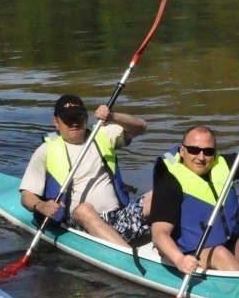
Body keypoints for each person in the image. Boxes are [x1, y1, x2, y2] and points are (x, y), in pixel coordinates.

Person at [150, 106, 239, 273]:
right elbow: (159, 234)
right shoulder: (169, 181)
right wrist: (179, 260)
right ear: (182, 151)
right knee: (220, 254)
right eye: (194, 150)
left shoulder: (224, 165)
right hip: (192, 253)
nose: (201, 157)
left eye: (208, 151)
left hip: (230, 244)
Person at [19, 94, 152, 247]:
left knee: (155, 196)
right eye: (68, 119)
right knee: (84, 209)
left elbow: (140, 126)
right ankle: (127, 257)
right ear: (56, 122)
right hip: (78, 223)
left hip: (117, 217)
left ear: (86, 119)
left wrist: (113, 116)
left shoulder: (103, 135)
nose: (74, 123)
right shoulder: (46, 150)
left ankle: (175, 247)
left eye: (79, 118)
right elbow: (26, 195)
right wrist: (41, 206)